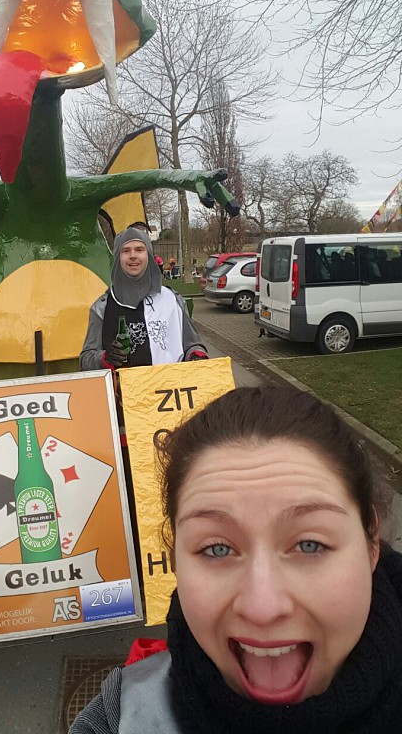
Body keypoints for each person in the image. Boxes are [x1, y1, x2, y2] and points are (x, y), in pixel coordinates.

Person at [70, 386, 402, 733]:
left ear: (371, 542)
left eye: (309, 545)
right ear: (175, 559)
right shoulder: (118, 720)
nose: (262, 608)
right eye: (217, 549)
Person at [80, 228, 207, 370]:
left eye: (139, 250)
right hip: (123, 384)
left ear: (149, 255)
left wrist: (196, 356)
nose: (133, 256)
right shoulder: (102, 307)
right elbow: (86, 360)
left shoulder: (172, 300)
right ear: (117, 257)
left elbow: (193, 346)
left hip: (170, 382)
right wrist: (105, 358)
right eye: (125, 251)